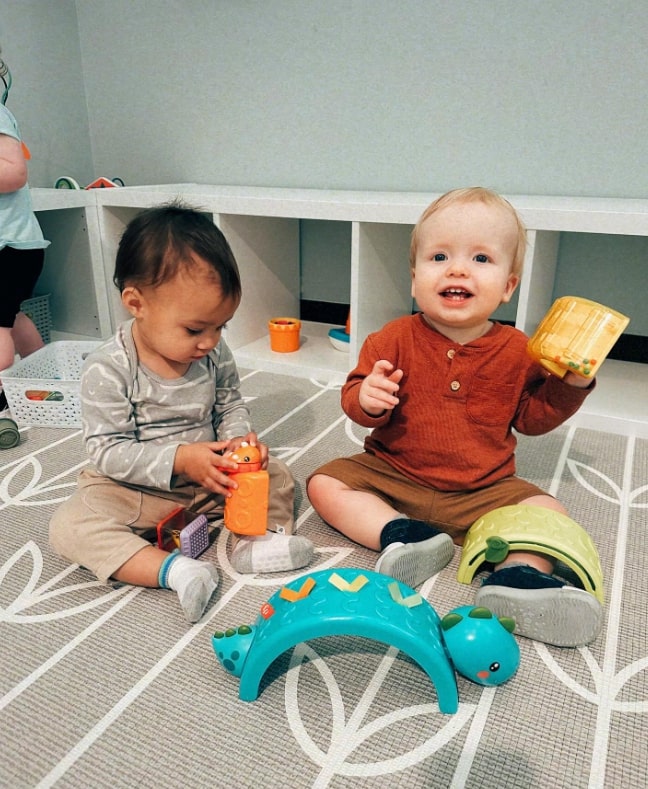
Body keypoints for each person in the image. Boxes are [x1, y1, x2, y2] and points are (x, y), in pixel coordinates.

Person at [307, 186, 603, 647]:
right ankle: (402, 535)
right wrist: (366, 397)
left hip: (484, 487)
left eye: (481, 259)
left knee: (548, 511)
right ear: (414, 278)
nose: (458, 269)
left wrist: (572, 384)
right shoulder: (392, 338)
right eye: (440, 256)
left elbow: (532, 419)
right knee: (324, 483)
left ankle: (515, 580)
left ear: (508, 286)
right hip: (393, 472)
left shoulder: (518, 351)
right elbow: (354, 399)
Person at [50, 204, 313, 623]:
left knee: (278, 474)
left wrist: (240, 441)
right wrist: (178, 460)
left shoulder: (212, 353)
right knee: (71, 524)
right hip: (140, 490)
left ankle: (255, 544)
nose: (210, 341)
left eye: (220, 327)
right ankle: (175, 571)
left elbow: (229, 402)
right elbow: (107, 450)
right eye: (195, 329)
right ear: (137, 303)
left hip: (213, 482)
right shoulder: (109, 367)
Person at [0, 46, 49, 415]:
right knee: (11, 316)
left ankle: (3, 395)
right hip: (16, 246)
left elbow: (15, 174)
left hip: (11, 246)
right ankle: (43, 377)